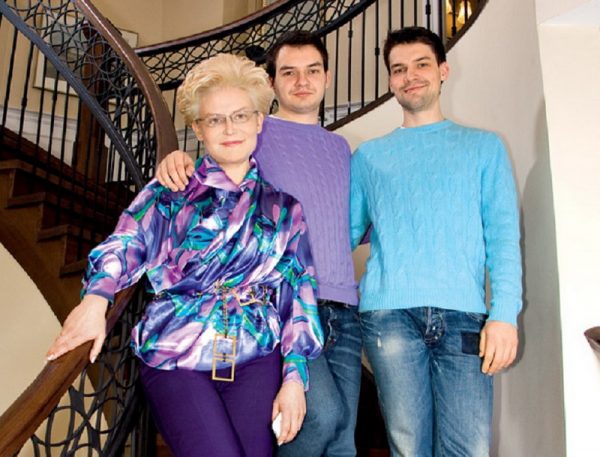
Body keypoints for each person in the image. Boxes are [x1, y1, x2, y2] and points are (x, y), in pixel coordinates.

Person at [46, 53, 324, 457]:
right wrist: (96, 299)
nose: (229, 129)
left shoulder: (284, 209)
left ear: (259, 121)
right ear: (198, 128)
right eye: (215, 119)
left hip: (256, 356)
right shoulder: (170, 191)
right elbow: (126, 243)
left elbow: (300, 293)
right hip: (176, 353)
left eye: (240, 116)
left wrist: (295, 378)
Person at [156, 31, 362, 457]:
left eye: (312, 71)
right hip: (285, 302)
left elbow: (353, 222)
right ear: (272, 83)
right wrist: (178, 159)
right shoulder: (258, 132)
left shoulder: (342, 148)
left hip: (345, 304)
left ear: (327, 77)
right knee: (316, 414)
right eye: (289, 72)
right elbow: (219, 170)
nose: (302, 81)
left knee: (342, 434)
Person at [350, 26, 522, 457]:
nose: (410, 76)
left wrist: (505, 315)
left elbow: (502, 238)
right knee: (409, 448)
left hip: (465, 317)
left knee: (470, 448)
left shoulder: (484, 148)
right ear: (390, 81)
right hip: (388, 317)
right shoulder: (369, 157)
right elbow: (344, 235)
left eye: (421, 64)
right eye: (399, 69)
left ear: (443, 70)